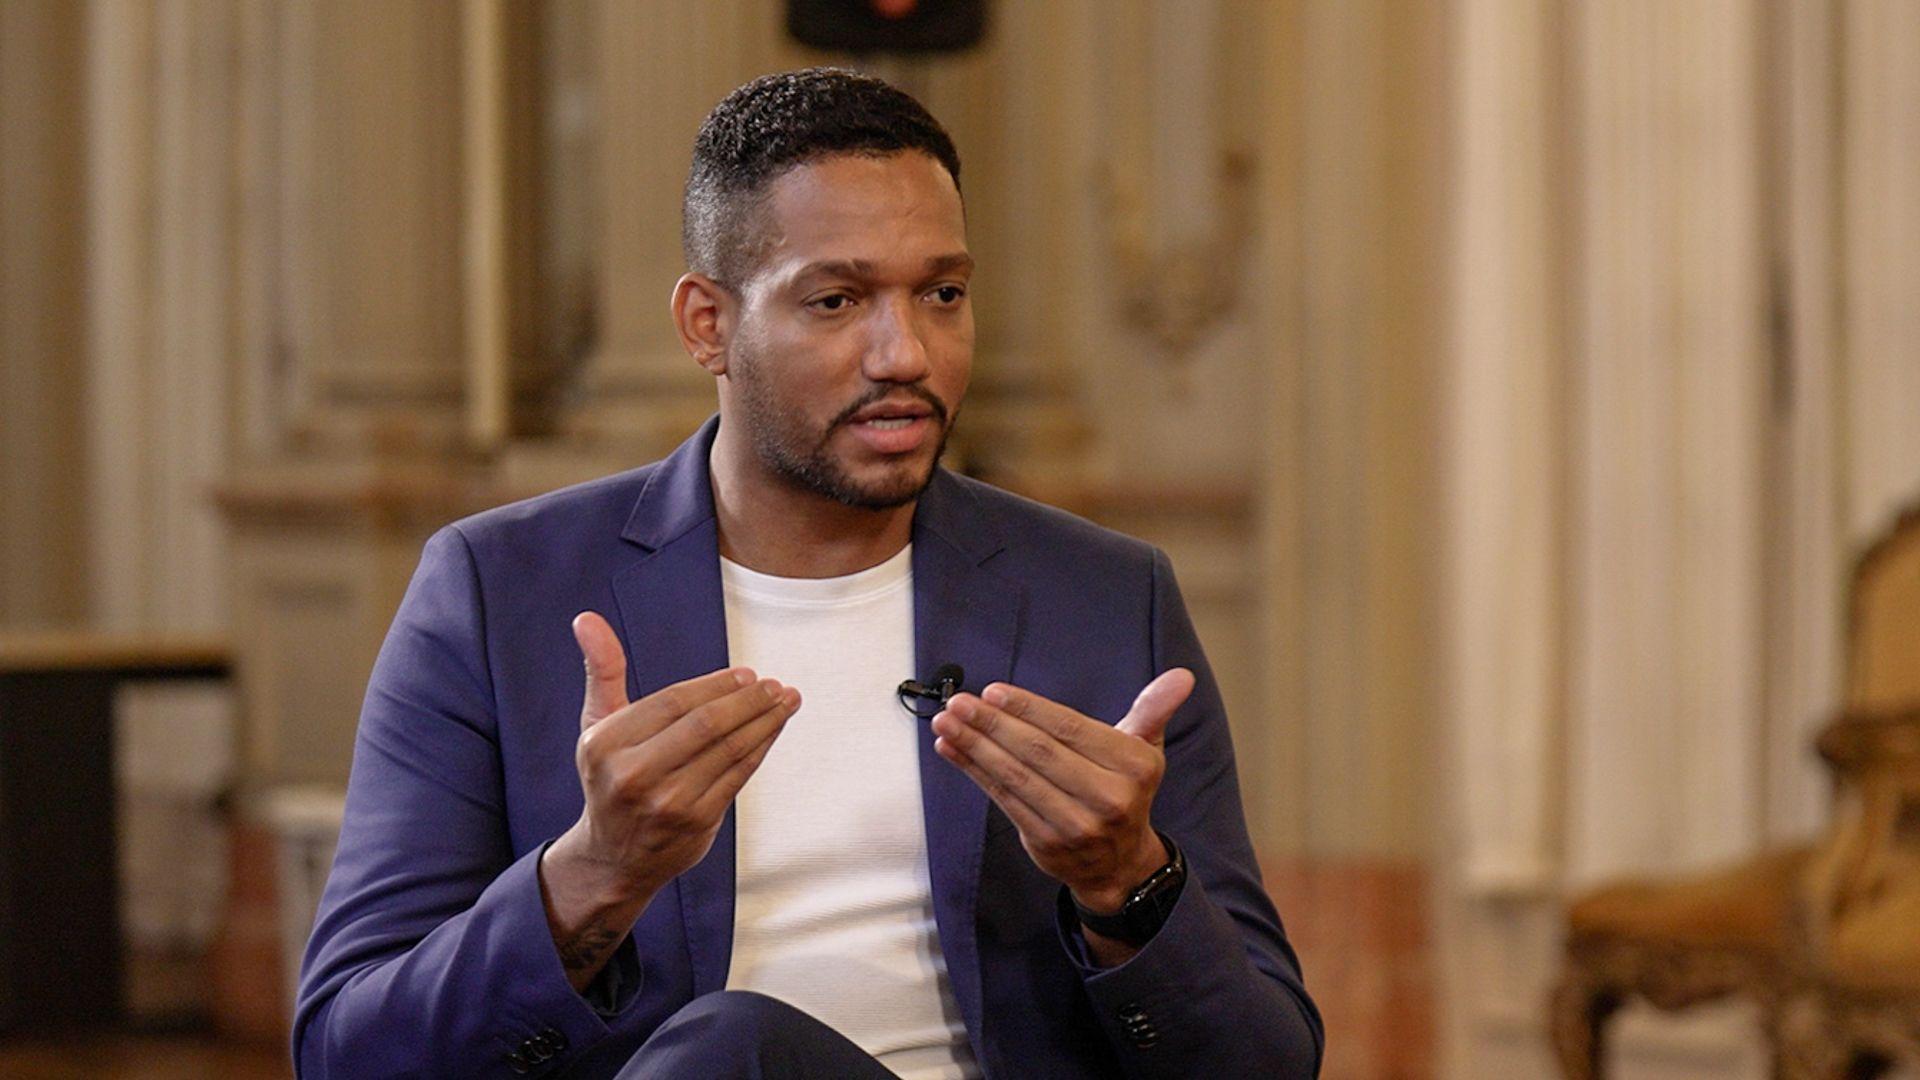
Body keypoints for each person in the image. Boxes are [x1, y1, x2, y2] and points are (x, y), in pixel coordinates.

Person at [293, 67, 1321, 1078]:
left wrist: (1127, 884)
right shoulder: (497, 593)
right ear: (708, 325)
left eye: (943, 294)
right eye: (836, 300)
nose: (904, 352)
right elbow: (348, 1052)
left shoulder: (1102, 599)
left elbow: (1267, 1061)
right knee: (731, 1049)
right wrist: (594, 876)